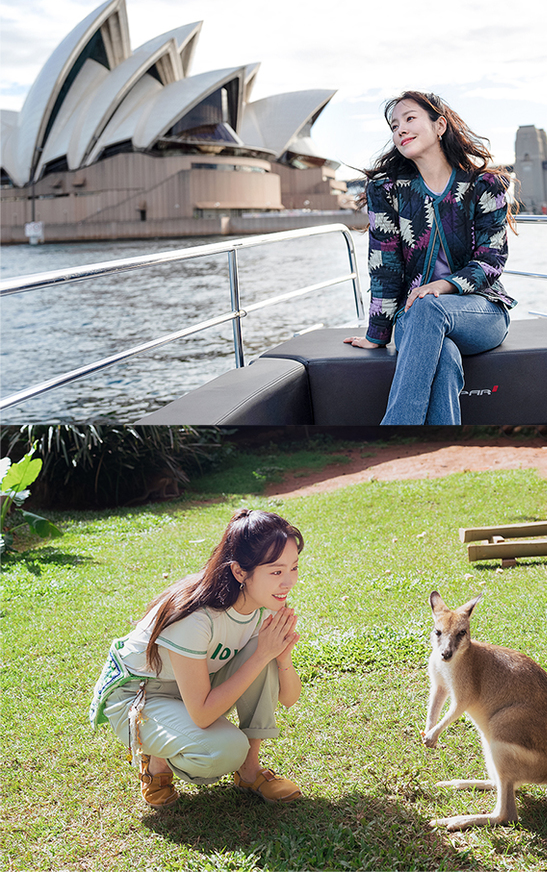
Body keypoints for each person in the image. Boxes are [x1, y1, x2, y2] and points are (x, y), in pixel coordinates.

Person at [89, 508, 304, 808]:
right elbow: (203, 714)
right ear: (240, 572)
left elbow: (290, 698)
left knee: (261, 654)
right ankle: (157, 762)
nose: (289, 582)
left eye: (293, 567)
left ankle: (250, 770)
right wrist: (261, 655)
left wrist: (281, 657)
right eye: (276, 571)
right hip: (138, 694)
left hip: (189, 685)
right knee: (225, 750)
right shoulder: (197, 616)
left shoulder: (265, 604)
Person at [344, 91, 517, 425]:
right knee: (444, 357)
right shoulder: (388, 191)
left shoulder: (484, 185)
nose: (400, 130)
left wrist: (445, 285)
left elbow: (491, 260)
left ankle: (393, 431)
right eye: (395, 125)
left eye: (410, 119)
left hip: (480, 311)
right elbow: (385, 267)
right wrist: (378, 334)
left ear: (439, 126)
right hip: (416, 316)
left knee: (428, 305)